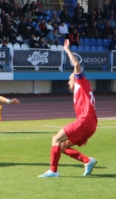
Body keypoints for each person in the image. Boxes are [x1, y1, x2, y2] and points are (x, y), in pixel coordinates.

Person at [38, 39, 97, 178]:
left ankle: (53, 171)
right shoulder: (84, 89)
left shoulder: (81, 82)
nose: (68, 81)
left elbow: (76, 64)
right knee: (62, 146)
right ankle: (87, 161)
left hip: (85, 121)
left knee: (56, 138)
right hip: (91, 124)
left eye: (70, 79)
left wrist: (67, 50)